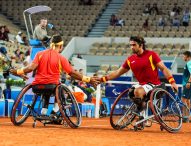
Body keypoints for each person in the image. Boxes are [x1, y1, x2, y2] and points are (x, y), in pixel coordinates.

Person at [10, 34, 99, 116]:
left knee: (47, 90)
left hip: (36, 86)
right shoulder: (61, 58)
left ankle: (44, 111)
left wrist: (17, 72)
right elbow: (72, 73)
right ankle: (56, 109)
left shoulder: (39, 54)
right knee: (59, 88)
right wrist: (88, 79)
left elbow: (30, 68)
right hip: (52, 87)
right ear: (60, 46)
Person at [97, 36, 178, 112]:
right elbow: (118, 72)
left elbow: (164, 68)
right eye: (130, 45)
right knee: (131, 92)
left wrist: (172, 82)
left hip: (154, 84)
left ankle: (148, 107)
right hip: (141, 84)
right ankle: (143, 113)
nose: (132, 47)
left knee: (137, 92)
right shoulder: (130, 59)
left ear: (141, 45)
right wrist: (102, 79)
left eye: (134, 45)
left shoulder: (151, 55)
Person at [181, 51, 191, 123]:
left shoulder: (189, 63)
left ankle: (185, 117)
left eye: (184, 56)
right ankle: (187, 117)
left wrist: (189, 82)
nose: (183, 57)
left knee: (183, 100)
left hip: (187, 84)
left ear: (187, 56)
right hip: (187, 84)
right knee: (187, 101)